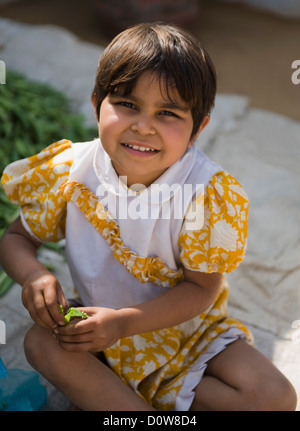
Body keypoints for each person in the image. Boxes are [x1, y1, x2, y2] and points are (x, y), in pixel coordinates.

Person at [0, 22, 296, 411]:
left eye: (168, 113)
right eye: (127, 104)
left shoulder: (206, 193)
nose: (143, 125)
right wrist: (34, 276)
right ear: (96, 104)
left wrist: (124, 323)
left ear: (198, 129)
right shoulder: (70, 170)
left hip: (187, 332)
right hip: (96, 328)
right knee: (40, 342)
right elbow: (16, 238)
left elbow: (201, 290)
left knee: (276, 397)